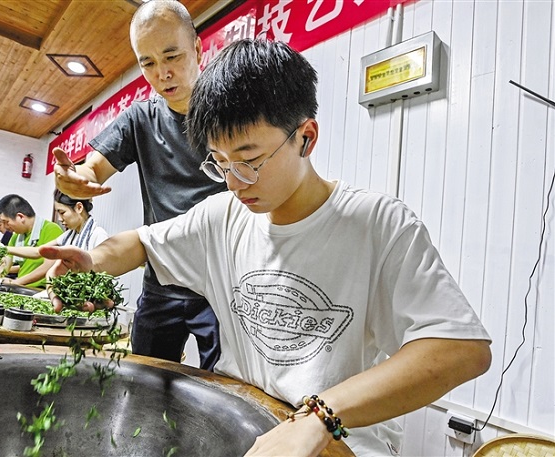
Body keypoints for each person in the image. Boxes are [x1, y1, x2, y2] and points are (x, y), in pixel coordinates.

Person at [41, 39, 492, 456]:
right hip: (240, 422)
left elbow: (460, 349)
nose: (236, 183)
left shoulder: (378, 224)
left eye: (250, 161)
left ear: (305, 138)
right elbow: (140, 243)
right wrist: (93, 261)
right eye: (220, 163)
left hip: (337, 441)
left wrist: (321, 415)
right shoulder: (222, 215)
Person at [52, 0, 226, 371]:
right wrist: (76, 180)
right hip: (161, 277)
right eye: (147, 63)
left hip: (221, 281)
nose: (162, 73)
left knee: (226, 382)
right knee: (144, 376)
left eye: (172, 56)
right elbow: (92, 169)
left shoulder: (231, 115)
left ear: (197, 48)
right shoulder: (140, 118)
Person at [0, 194, 63, 288]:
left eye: (6, 222)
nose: (6, 227)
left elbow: (49, 265)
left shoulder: (51, 229)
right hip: (21, 288)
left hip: (42, 290)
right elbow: (6, 264)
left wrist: (17, 282)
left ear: (20, 217)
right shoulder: (16, 237)